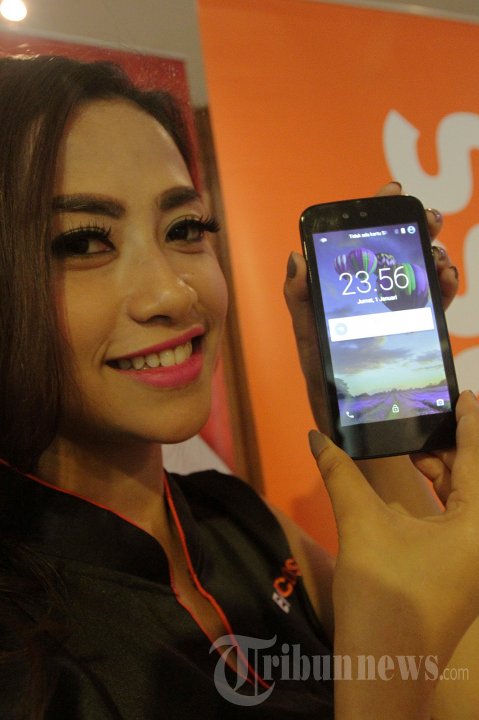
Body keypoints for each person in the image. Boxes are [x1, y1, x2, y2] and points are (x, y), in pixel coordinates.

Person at [0, 54, 477, 720]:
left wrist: (362, 408)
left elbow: (452, 680)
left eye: (184, 229)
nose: (173, 293)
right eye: (83, 243)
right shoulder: (20, 649)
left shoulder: (234, 520)